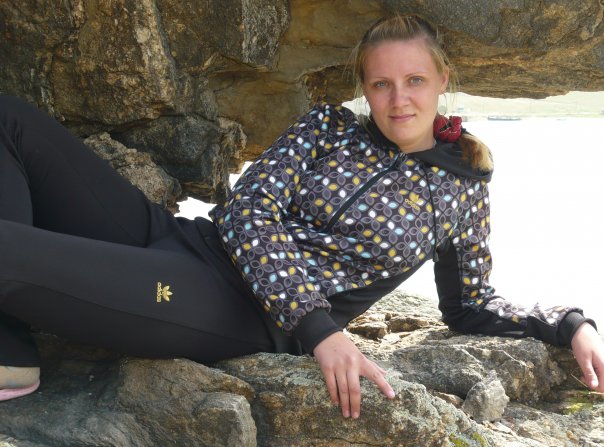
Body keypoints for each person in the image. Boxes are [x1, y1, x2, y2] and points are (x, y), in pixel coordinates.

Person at [0, 14, 602, 419]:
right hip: (182, 241)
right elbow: (249, 208)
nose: (400, 100)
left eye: (415, 80)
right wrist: (323, 330)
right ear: (364, 88)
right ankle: (9, 343)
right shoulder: (326, 127)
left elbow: (472, 303)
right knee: (8, 118)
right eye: (382, 84)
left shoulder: (461, 190)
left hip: (229, 307)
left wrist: (569, 324)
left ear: (443, 79)